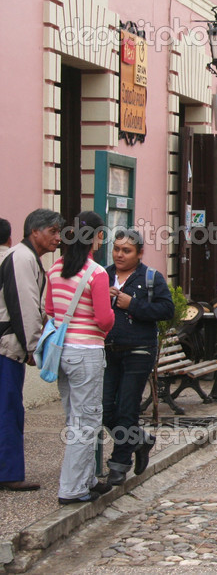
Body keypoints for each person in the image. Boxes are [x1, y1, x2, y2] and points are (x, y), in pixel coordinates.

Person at [45, 211, 116, 505]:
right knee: (86, 421)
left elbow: (50, 311)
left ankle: (87, 479)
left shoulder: (55, 269)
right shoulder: (96, 274)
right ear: (96, 237)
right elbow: (104, 320)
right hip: (87, 353)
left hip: (62, 353)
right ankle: (72, 488)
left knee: (74, 417)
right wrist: (111, 309)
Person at [102, 229, 175, 486]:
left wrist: (131, 304)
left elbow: (167, 309)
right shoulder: (103, 275)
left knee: (127, 409)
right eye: (117, 249)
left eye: (127, 250)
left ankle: (119, 464)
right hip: (108, 350)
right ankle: (139, 440)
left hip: (139, 351)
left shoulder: (150, 277)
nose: (120, 254)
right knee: (104, 408)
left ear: (139, 253)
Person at [0, 209, 62, 492]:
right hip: (7, 347)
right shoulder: (22, 258)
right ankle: (9, 472)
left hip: (10, 343)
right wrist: (33, 346)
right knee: (9, 409)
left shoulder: (25, 258)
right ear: (34, 231)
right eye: (52, 231)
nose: (57, 238)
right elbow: (24, 305)